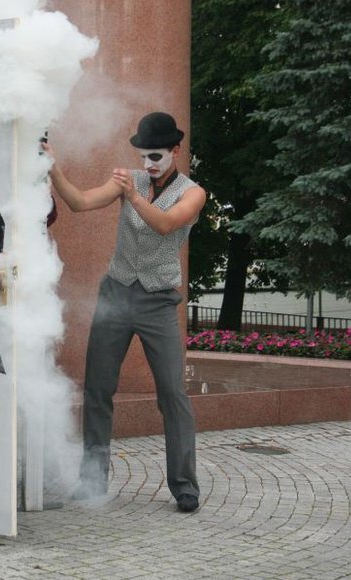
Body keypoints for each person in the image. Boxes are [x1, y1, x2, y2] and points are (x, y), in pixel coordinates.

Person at [43, 111, 205, 513]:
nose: (148, 164)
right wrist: (54, 168)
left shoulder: (193, 192)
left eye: (156, 156)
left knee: (172, 394)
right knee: (98, 390)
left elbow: (166, 225)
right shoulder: (129, 180)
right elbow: (80, 203)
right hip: (116, 293)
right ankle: (92, 480)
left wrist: (132, 196)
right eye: (143, 156)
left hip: (158, 301)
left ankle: (184, 485)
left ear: (175, 150)